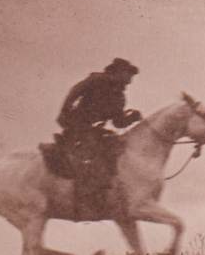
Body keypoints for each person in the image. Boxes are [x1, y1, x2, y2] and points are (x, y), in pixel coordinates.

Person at [56, 58, 142, 220]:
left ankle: (105, 192)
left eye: (131, 76)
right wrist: (65, 110)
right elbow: (75, 90)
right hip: (78, 126)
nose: (130, 80)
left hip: (95, 131)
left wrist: (132, 118)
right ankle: (86, 197)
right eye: (128, 74)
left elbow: (118, 122)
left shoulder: (120, 97)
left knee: (116, 150)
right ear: (118, 72)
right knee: (92, 155)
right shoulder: (97, 80)